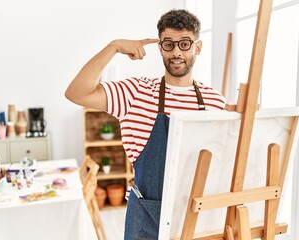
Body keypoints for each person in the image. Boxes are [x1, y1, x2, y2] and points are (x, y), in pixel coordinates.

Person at [65, 9, 226, 239]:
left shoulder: (215, 102)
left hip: (199, 218)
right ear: (160, 47)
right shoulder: (137, 92)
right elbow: (76, 93)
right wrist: (114, 46)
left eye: (185, 44)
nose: (176, 52)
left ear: (197, 47)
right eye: (169, 44)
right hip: (146, 222)